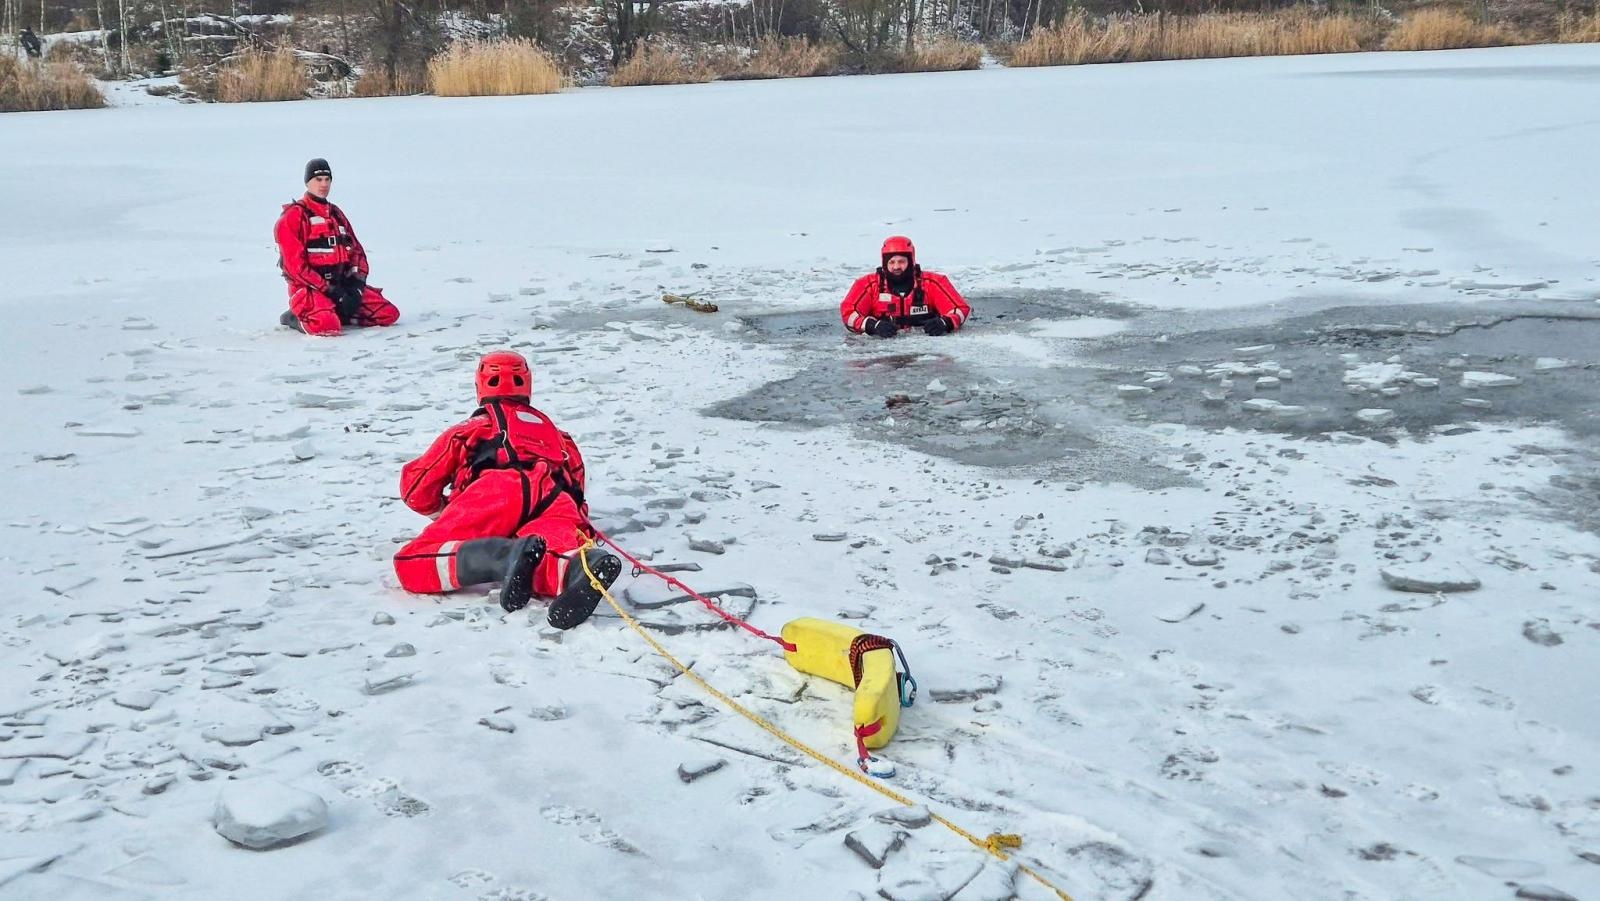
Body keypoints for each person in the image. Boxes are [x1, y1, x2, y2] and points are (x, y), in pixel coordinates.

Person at [392, 351, 622, 628]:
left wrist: (443, 511)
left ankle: (502, 557)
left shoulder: (472, 428)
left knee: (411, 563)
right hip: (555, 497)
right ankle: (581, 566)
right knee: (554, 552)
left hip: (496, 491)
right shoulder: (559, 437)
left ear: (480, 385)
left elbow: (416, 487)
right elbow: (577, 490)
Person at [274, 158, 400, 336]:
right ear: (307, 182)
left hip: (342, 284)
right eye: (318, 180)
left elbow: (357, 251)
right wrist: (330, 290)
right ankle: (296, 317)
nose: (323, 184)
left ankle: (339, 312)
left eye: (327, 179)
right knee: (327, 327)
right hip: (311, 289)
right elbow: (295, 268)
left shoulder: (336, 214)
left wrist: (356, 285)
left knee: (388, 314)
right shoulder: (293, 217)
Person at [840, 236, 971, 338]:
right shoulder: (867, 285)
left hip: (925, 353)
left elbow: (960, 308)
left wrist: (945, 323)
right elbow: (848, 312)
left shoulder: (933, 283)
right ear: (885, 263)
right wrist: (872, 326)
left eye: (901, 261)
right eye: (891, 262)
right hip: (882, 356)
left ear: (911, 261)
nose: (896, 267)